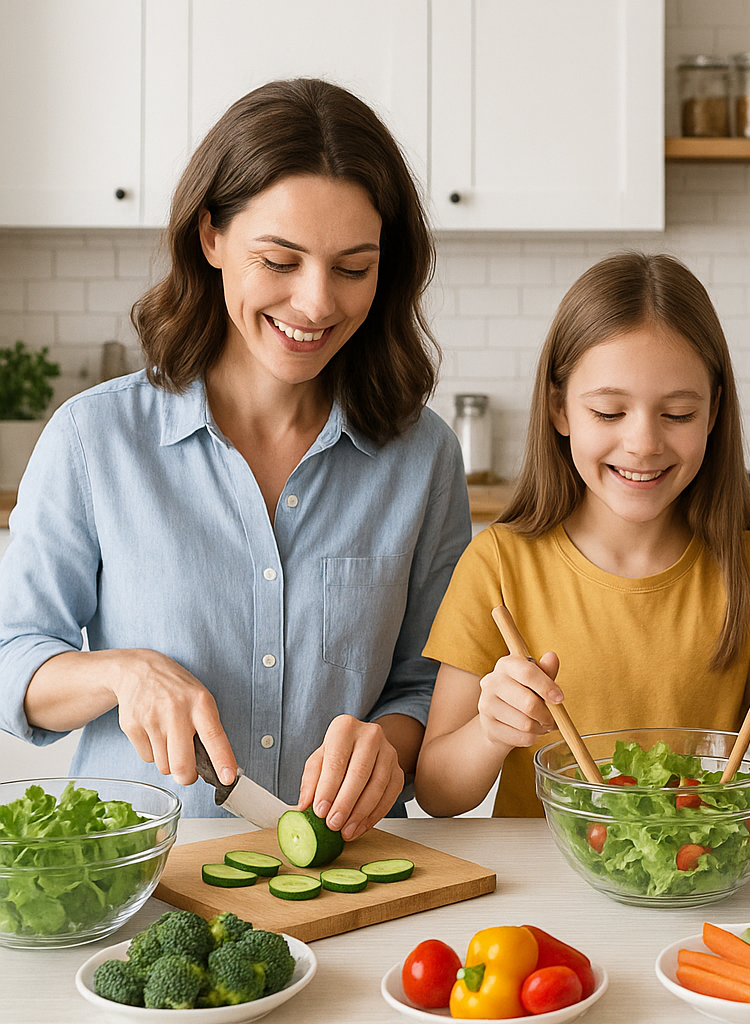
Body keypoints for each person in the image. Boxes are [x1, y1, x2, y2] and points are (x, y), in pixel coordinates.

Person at [0, 79, 472, 838]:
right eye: (280, 261)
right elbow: (11, 658)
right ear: (211, 237)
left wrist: (389, 744)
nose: (317, 303)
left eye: (353, 268)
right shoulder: (95, 440)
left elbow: (427, 686)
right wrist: (122, 673)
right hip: (142, 883)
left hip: (346, 885)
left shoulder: (423, 457)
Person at [414, 251, 750, 818]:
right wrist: (491, 732)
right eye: (609, 412)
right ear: (559, 408)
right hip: (549, 895)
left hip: (699, 885)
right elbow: (438, 793)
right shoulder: (499, 563)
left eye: (677, 415)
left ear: (714, 413)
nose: (643, 443)